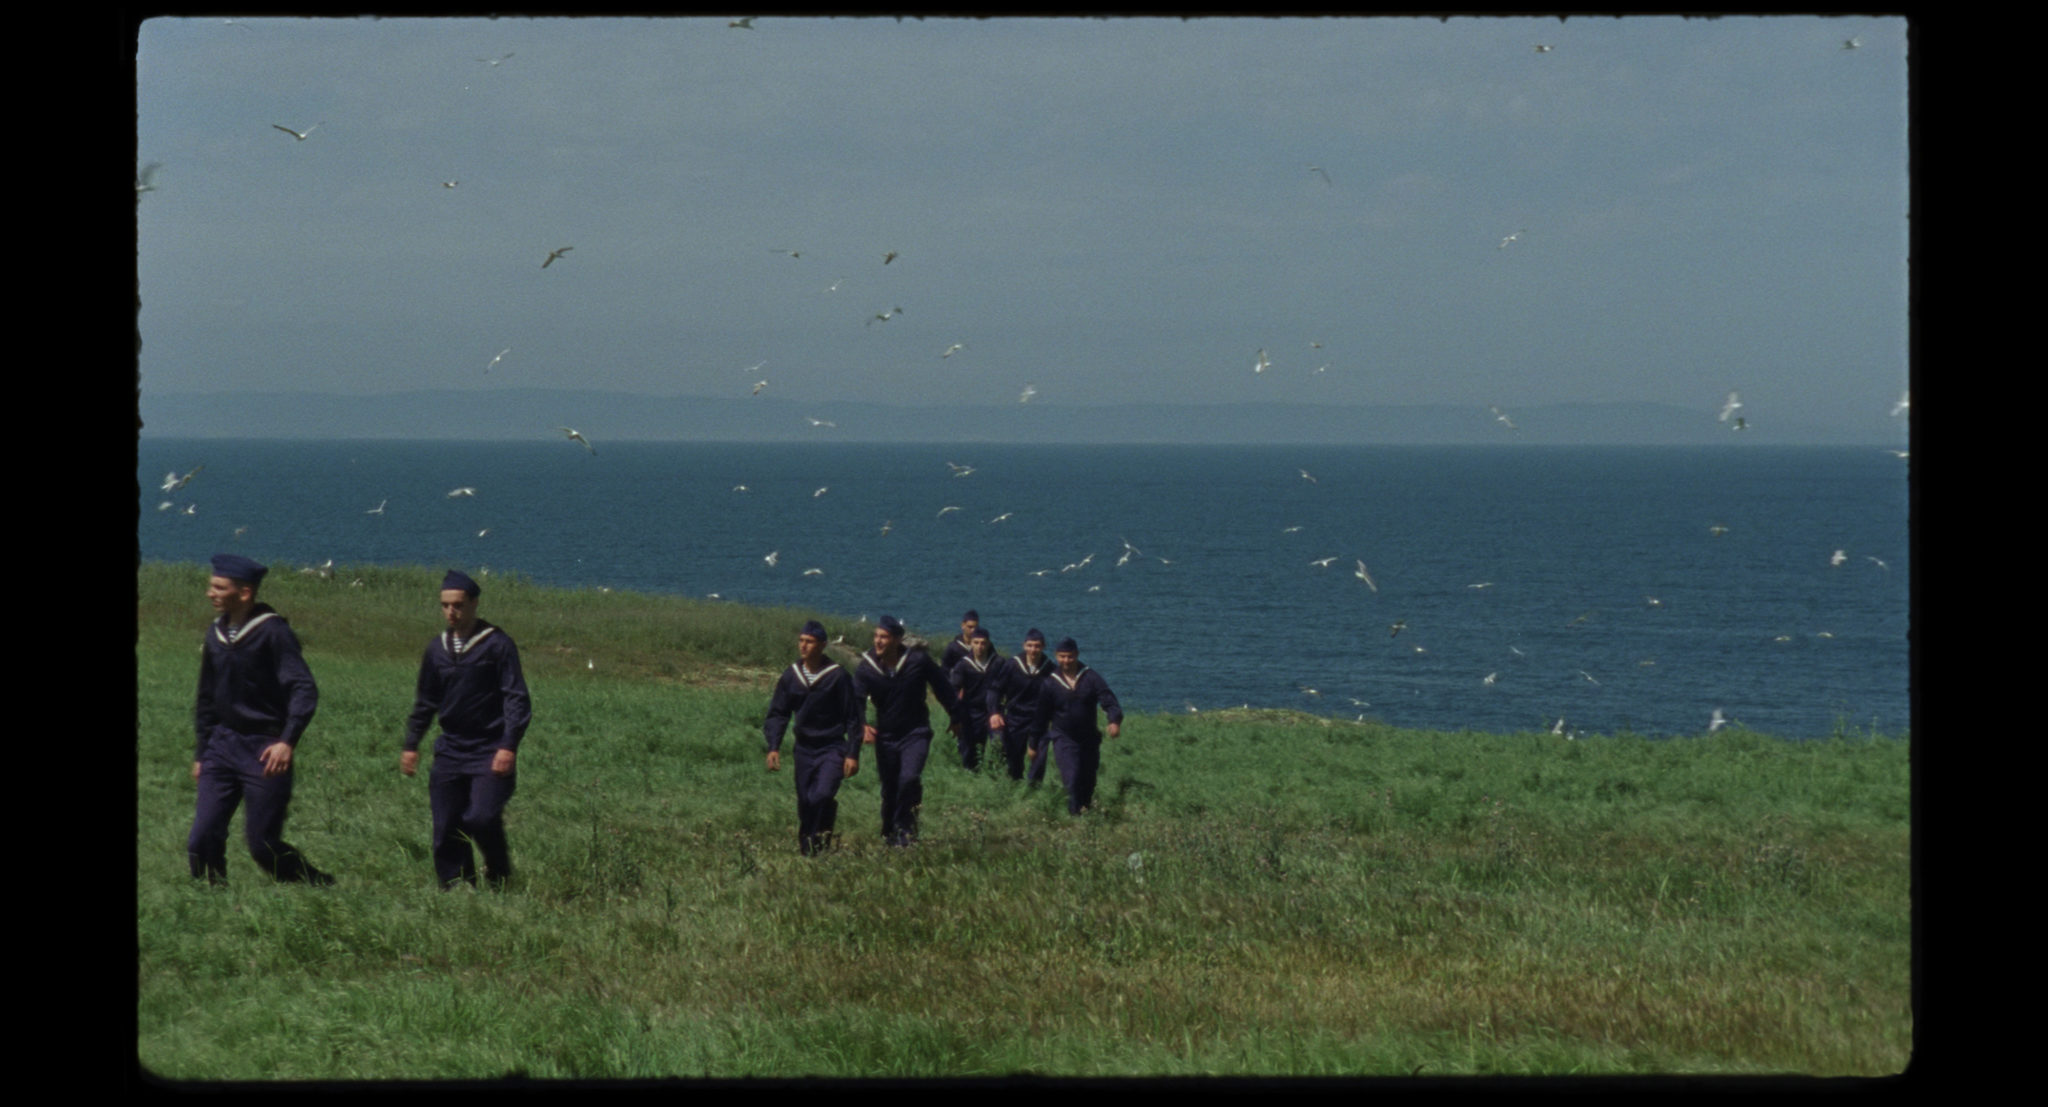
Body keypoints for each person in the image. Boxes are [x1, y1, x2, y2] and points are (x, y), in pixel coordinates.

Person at [188, 553, 332, 885]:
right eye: (210, 586)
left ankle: (316, 885)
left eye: (219, 587)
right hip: (221, 745)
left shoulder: (273, 632)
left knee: (262, 845)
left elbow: (303, 688)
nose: (210, 593)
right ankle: (211, 897)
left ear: (245, 593)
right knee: (201, 839)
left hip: (264, 749)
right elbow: (206, 698)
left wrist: (287, 742)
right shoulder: (215, 634)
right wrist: (202, 752)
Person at [401, 569, 531, 890]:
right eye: (445, 605)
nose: (451, 612)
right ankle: (457, 888)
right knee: (447, 824)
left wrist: (509, 745)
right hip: (451, 749)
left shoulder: (497, 645)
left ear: (474, 603)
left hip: (490, 748)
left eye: (458, 605)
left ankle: (498, 873)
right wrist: (412, 744)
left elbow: (516, 698)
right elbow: (426, 701)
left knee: (481, 817)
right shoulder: (437, 649)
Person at [853, 615, 962, 847]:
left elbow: (942, 686)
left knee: (909, 778)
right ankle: (889, 832)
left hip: (916, 732)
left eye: (884, 637)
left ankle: (906, 833)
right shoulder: (867, 668)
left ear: (896, 640)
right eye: (876, 636)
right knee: (890, 788)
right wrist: (862, 725)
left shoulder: (918, 661)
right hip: (886, 736)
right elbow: (856, 700)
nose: (878, 641)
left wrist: (955, 715)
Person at [764, 620, 862, 855]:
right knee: (806, 802)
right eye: (801, 640)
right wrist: (774, 746)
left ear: (822, 645)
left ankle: (820, 844)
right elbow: (778, 713)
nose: (803, 646)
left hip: (832, 747)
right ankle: (809, 850)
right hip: (804, 748)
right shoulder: (792, 675)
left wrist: (852, 753)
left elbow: (853, 717)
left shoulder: (837, 676)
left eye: (809, 641)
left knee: (822, 795)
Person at [1042, 637, 1124, 815]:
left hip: (1089, 737)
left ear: (1077, 655)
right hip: (1063, 737)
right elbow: (1041, 714)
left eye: (1070, 656)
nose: (1066, 660)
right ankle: (1074, 817)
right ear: (1056, 656)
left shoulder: (1090, 677)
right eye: (1062, 656)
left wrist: (1114, 720)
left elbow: (1108, 700)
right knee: (1071, 777)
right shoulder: (1050, 682)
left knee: (1088, 779)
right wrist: (1035, 742)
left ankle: (1085, 809)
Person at [986, 628, 1056, 784]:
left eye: (1037, 646)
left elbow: (1057, 695)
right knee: (1014, 759)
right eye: (1030, 645)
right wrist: (994, 712)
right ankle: (1014, 786)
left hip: (1039, 720)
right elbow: (995, 689)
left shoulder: (1050, 669)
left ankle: (1033, 789)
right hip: (1016, 718)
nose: (1033, 650)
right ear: (1024, 645)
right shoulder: (1012, 665)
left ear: (1043, 647)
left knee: (1039, 757)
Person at [947, 627, 1002, 772]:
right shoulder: (963, 665)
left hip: (994, 711)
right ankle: (971, 777)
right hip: (971, 712)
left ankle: (995, 774)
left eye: (983, 643)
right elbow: (953, 689)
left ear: (988, 644)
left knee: (999, 743)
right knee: (970, 752)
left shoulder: (998, 663)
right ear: (971, 643)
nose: (979, 646)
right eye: (976, 642)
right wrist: (955, 715)